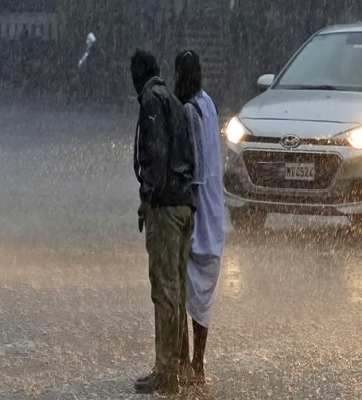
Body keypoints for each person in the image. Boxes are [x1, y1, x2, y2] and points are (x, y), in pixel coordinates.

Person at [130, 50, 199, 394]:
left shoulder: (151, 102)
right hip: (186, 206)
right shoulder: (173, 100)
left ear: (136, 76)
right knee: (178, 289)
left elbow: (155, 155)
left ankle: (166, 371)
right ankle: (178, 368)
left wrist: (147, 199)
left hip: (167, 209)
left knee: (164, 291)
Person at [174, 49, 226, 384]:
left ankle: (188, 362)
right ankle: (197, 362)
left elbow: (195, 166)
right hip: (214, 204)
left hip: (199, 206)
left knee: (183, 286)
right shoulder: (207, 102)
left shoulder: (190, 109)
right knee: (202, 291)